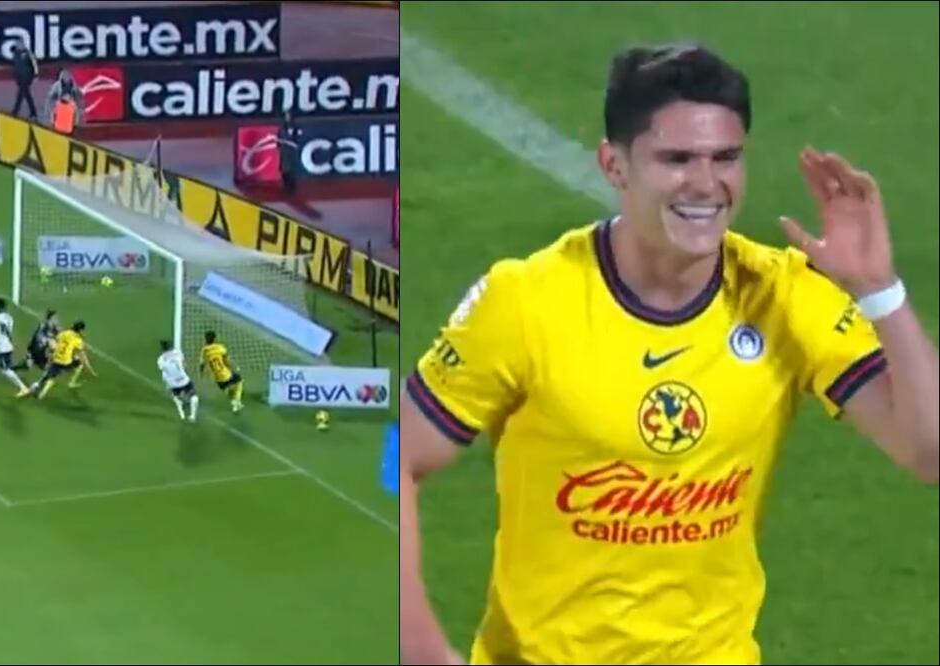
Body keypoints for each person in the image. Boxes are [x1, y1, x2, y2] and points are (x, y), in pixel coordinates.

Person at [399, 42, 938, 666]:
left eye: (726, 158)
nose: (706, 184)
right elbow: (397, 458)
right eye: (677, 159)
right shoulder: (527, 301)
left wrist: (879, 290)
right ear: (615, 165)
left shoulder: (784, 295)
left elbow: (929, 453)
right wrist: (419, 650)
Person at [158, 340, 199, 422]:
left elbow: (163, 371)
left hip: (173, 383)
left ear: (162, 349)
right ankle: (193, 416)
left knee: (176, 397)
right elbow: (184, 365)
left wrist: (167, 383)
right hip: (184, 380)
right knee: (194, 396)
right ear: (170, 346)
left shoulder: (160, 359)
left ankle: (182, 415)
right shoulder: (178, 353)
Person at [10, 40, 38, 120]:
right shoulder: (15, 54)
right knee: (27, 95)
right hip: (19, 78)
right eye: (17, 44)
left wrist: (35, 75)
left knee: (20, 95)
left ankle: (15, 112)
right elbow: (15, 66)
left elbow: (34, 64)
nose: (19, 46)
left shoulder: (28, 53)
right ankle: (33, 112)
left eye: (20, 44)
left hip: (27, 77)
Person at [278, 109, 301, 194]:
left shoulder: (295, 126)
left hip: (291, 150)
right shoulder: (282, 126)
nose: (286, 117)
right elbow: (279, 136)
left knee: (291, 169)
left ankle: (291, 187)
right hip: (284, 150)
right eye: (285, 115)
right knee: (283, 169)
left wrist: (294, 144)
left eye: (288, 115)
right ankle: (285, 186)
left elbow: (298, 138)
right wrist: (279, 144)